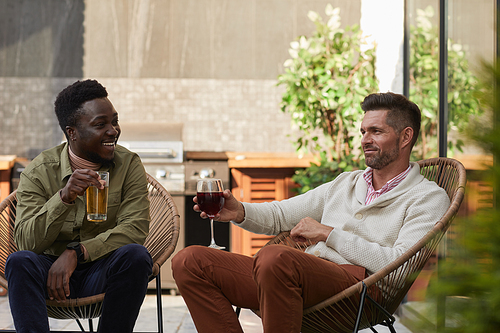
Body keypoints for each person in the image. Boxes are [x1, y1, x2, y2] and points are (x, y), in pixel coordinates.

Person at [172, 92, 451, 333]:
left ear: (405, 137)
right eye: (363, 131)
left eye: (376, 131)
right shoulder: (347, 183)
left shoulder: (427, 198)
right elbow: (282, 214)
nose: (365, 139)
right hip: (290, 278)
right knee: (189, 261)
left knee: (276, 258)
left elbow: (400, 266)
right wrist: (239, 212)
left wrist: (329, 234)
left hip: (361, 292)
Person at [5, 79, 153, 333]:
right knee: (19, 262)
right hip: (51, 273)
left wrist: (77, 252)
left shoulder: (128, 164)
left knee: (136, 256)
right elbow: (26, 242)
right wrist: (63, 198)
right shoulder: (39, 171)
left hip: (103, 273)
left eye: (114, 121)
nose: (113, 131)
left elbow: (135, 228)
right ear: (72, 132)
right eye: (100, 124)